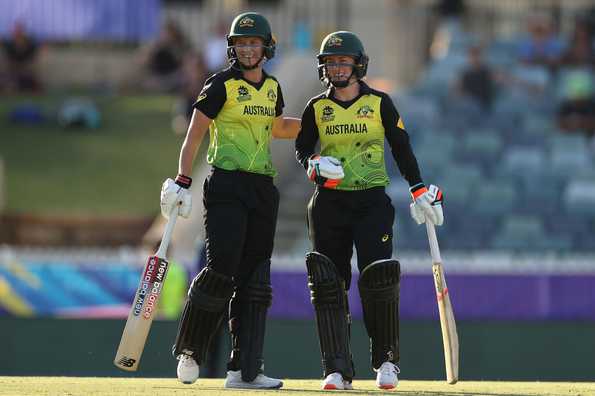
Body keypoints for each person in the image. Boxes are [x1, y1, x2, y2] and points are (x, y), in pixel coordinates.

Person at [295, 31, 444, 390]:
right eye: (331, 63)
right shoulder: (317, 107)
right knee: (330, 284)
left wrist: (419, 188)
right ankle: (336, 368)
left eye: (343, 62)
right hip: (329, 203)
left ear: (358, 65)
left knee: (378, 279)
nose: (337, 68)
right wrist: (313, 163)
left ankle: (387, 362)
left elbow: (401, 148)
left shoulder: (380, 103)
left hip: (371, 202)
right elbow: (302, 148)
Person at [159, 12, 300, 389]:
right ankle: (190, 350)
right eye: (241, 43)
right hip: (226, 185)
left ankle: (245, 370)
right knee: (221, 268)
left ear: (266, 47)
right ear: (232, 47)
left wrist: (318, 122)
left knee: (255, 281)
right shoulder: (219, 84)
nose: (247, 49)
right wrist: (183, 181)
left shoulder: (272, 88)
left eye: (254, 43)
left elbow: (279, 127)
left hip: (262, 189)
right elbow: (194, 134)